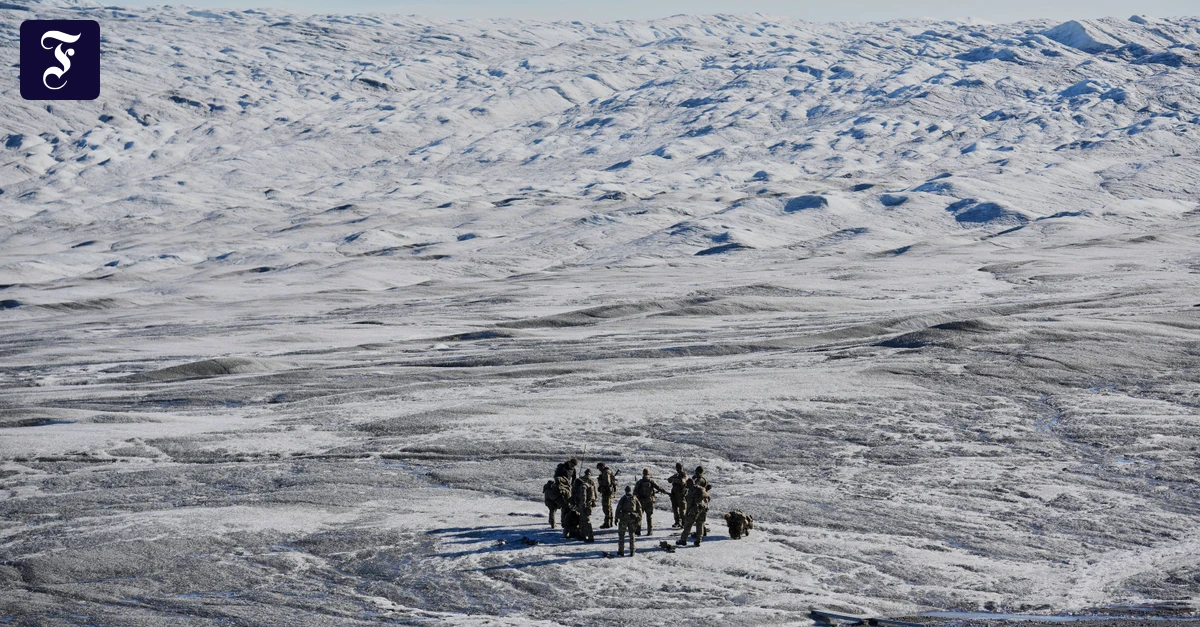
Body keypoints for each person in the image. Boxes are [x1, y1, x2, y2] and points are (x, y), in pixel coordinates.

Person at [633, 468, 669, 535]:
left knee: (639, 516)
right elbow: (659, 488)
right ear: (648, 473)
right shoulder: (651, 481)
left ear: (643, 473)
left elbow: (634, 492)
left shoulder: (639, 482)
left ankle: (638, 531)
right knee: (649, 517)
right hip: (649, 501)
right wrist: (667, 492)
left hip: (641, 502)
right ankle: (650, 531)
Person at [677, 477, 710, 547]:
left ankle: (684, 540)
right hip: (699, 509)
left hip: (696, 509)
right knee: (698, 524)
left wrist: (704, 504)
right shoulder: (696, 490)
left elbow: (707, 497)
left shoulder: (696, 490)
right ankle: (697, 541)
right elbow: (707, 497)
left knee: (690, 525)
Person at [572, 468, 598, 542]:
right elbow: (595, 493)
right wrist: (594, 501)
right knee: (582, 520)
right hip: (589, 504)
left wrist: (581, 505)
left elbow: (583, 496)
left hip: (584, 505)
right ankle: (583, 535)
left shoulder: (582, 486)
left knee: (585, 520)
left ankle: (590, 537)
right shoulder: (590, 482)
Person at [615, 485, 643, 556]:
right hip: (632, 519)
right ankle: (632, 550)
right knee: (632, 535)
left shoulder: (623, 498)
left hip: (623, 519)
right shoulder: (635, 498)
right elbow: (639, 509)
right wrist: (639, 518)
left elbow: (618, 508)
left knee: (621, 535)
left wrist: (616, 518)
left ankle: (621, 551)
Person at [596, 462, 618, 529]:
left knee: (606, 507)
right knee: (609, 507)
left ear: (602, 466)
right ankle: (610, 522)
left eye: (599, 468)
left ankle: (607, 523)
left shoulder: (605, 472)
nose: (599, 469)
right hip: (609, 492)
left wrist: (600, 481)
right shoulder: (608, 471)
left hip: (607, 492)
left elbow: (607, 483)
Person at [666, 462, 688, 529]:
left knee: (682, 510)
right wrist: (674, 477)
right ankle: (677, 522)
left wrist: (676, 479)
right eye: (677, 468)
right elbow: (669, 480)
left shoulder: (684, 475)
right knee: (675, 509)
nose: (678, 469)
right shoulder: (676, 475)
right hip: (674, 495)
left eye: (680, 468)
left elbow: (683, 481)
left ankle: (684, 523)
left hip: (681, 495)